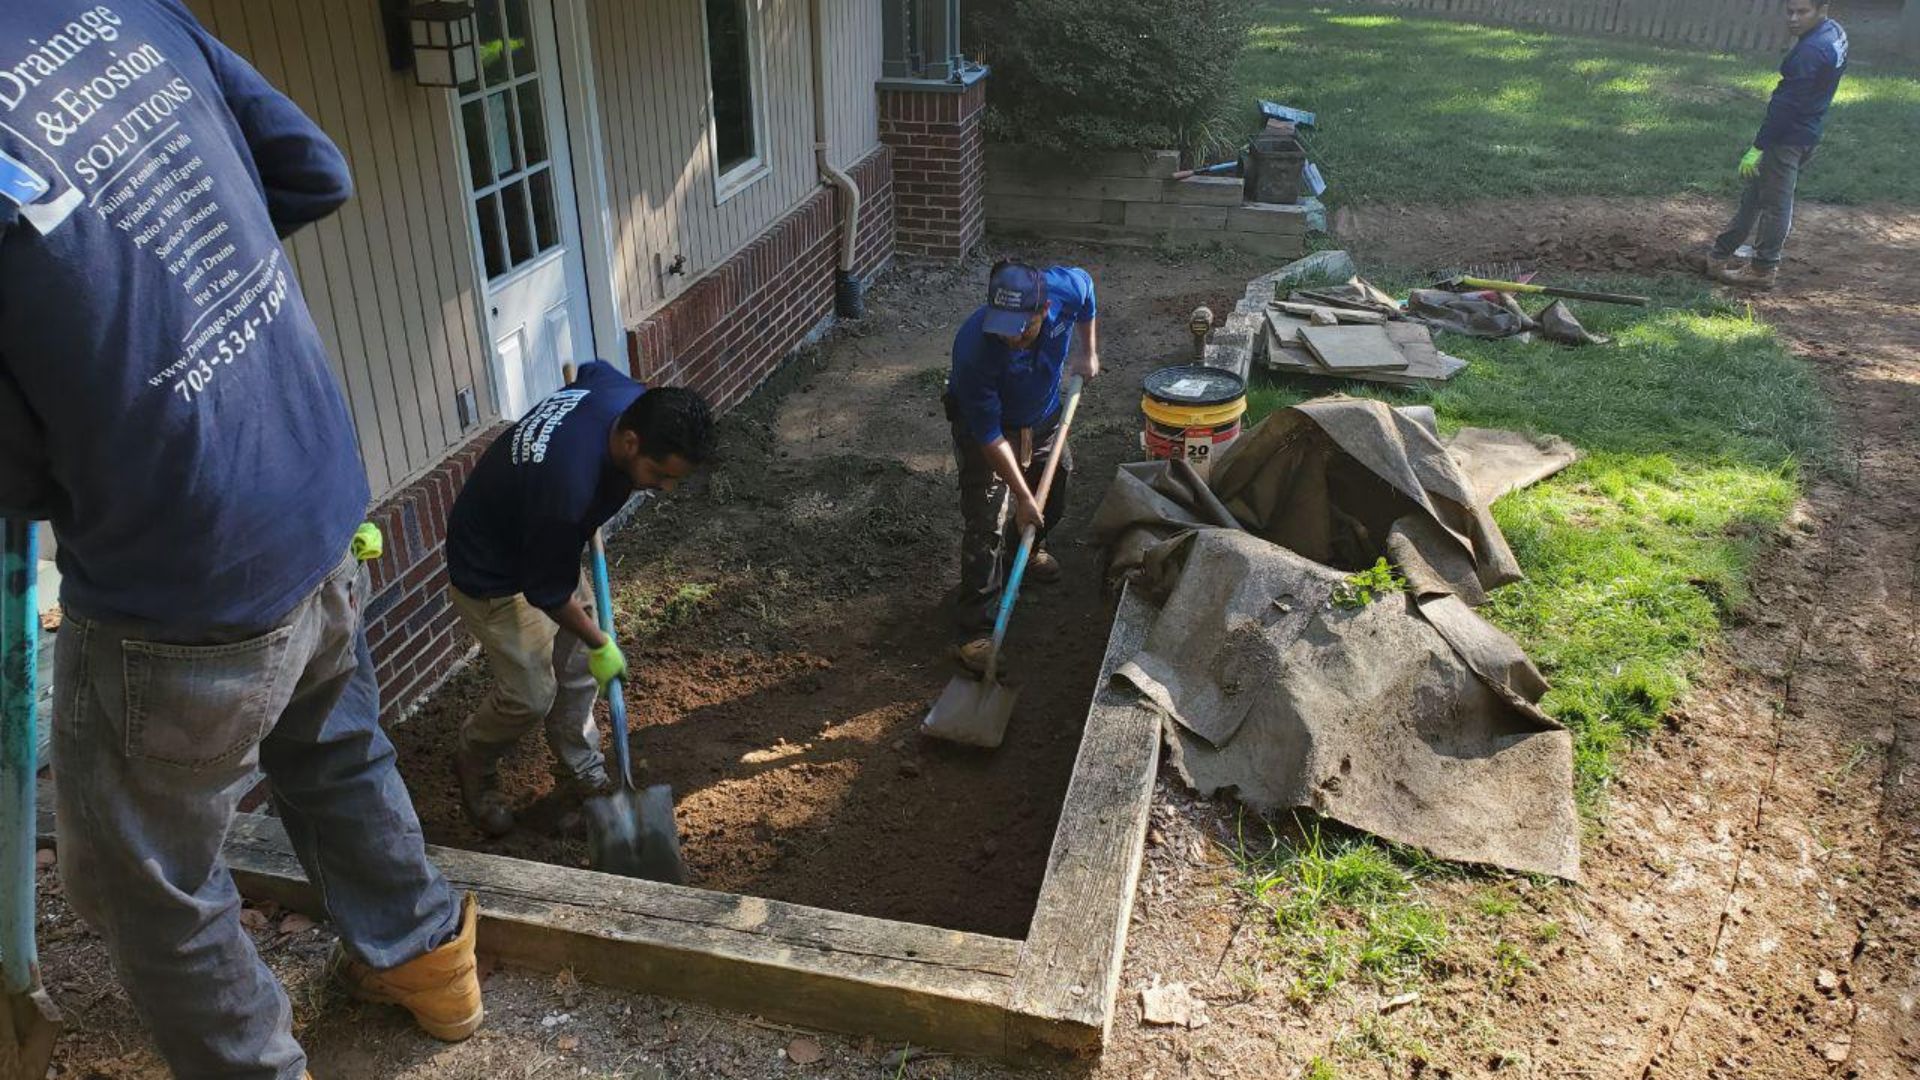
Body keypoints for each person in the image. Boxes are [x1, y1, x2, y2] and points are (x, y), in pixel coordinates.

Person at [0, 1, 479, 1076]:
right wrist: (195, 301)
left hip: (182, 571)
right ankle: (431, 970)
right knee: (332, 743)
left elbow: (17, 471)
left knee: (140, 877)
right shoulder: (114, 9)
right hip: (312, 482)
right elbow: (313, 172)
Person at [445, 361, 714, 836]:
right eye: (659, 473)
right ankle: (474, 761)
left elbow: (590, 370)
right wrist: (601, 641)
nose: (665, 488)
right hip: (494, 570)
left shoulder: (622, 395)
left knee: (575, 673)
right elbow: (545, 590)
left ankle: (581, 765)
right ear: (630, 442)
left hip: (547, 546)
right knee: (529, 696)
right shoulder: (568, 488)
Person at [944, 260, 1100, 670]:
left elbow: (1087, 294)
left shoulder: (1065, 289)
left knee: (1056, 485)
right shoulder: (975, 349)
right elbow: (990, 437)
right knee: (986, 521)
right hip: (989, 432)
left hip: (1044, 417)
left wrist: (1088, 352)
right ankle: (976, 630)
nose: (1008, 336)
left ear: (1043, 311)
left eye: (1020, 327)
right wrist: (1021, 495)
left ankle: (1027, 555)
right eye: (1001, 325)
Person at [1699, 0, 1847, 290]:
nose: (1793, 18)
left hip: (1788, 140)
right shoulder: (1835, 33)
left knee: (1775, 206)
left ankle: (1763, 268)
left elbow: (1785, 108)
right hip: (1809, 132)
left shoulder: (1809, 52)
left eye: (1802, 12)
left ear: (1822, 9)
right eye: (1789, 11)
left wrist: (1759, 147)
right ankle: (1719, 254)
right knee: (1755, 196)